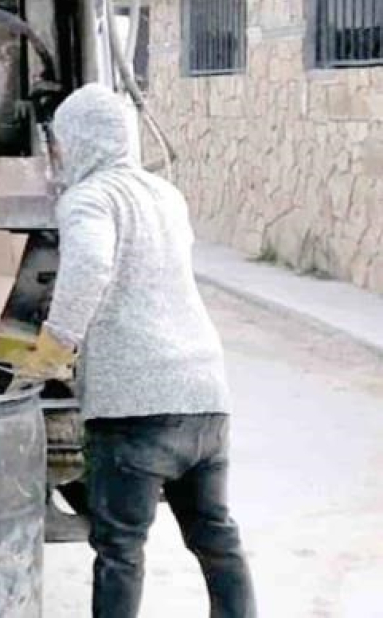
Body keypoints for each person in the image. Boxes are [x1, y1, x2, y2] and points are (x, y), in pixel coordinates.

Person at [20, 84, 257, 617]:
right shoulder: (166, 195)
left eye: (60, 143)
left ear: (78, 142)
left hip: (137, 404)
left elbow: (90, 268)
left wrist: (55, 344)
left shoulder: (89, 198)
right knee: (215, 536)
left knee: (120, 550)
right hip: (204, 394)